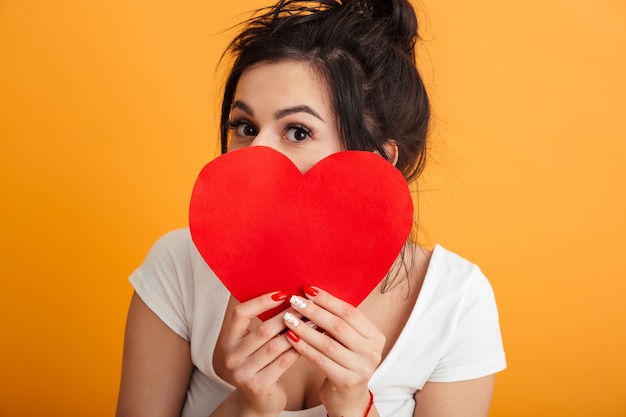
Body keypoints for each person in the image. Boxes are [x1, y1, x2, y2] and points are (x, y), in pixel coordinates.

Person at [116, 0, 506, 416]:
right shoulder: (178, 267)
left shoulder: (456, 301)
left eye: (298, 131)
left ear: (379, 162)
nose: (256, 152)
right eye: (245, 127)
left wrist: (354, 406)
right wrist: (248, 407)